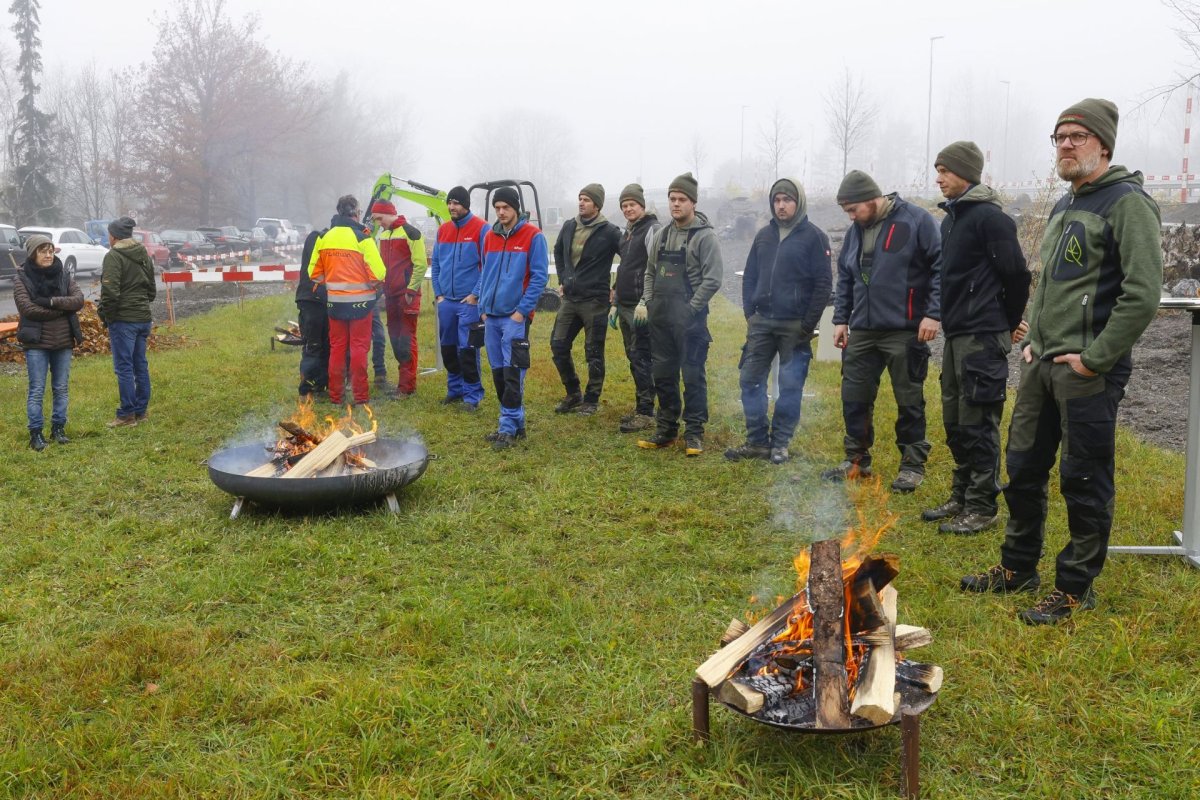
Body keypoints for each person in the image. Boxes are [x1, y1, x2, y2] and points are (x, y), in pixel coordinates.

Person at [961, 99, 1163, 624]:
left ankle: (1075, 586)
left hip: (1085, 372)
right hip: (1042, 364)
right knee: (1023, 467)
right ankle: (1017, 567)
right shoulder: (1062, 205)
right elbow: (1051, 284)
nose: (1066, 145)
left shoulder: (1128, 204)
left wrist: (1095, 359)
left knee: (1083, 476)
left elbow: (1142, 294)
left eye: (1078, 136)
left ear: (1104, 145)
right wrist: (1034, 335)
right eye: (1059, 137)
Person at [924, 141, 1031, 534]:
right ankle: (962, 495)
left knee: (979, 422)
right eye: (937, 171)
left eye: (945, 171)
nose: (939, 178)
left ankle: (982, 506)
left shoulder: (991, 219)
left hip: (983, 337)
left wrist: (1008, 323)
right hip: (957, 336)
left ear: (966, 173)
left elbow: (1017, 276)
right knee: (955, 421)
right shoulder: (950, 220)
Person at [820, 170, 941, 492]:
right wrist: (841, 319)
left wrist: (933, 313)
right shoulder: (855, 232)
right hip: (863, 329)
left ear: (872, 199)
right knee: (854, 396)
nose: (850, 216)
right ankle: (856, 460)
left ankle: (912, 465)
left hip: (905, 329)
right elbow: (845, 277)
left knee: (909, 400)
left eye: (853, 209)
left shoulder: (917, 220)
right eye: (846, 211)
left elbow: (940, 268)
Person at [725, 178, 831, 465]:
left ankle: (781, 443)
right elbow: (750, 275)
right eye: (776, 200)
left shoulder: (815, 237)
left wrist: (807, 325)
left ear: (799, 202)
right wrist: (750, 314)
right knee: (750, 380)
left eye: (787, 200)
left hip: (795, 325)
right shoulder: (763, 236)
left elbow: (823, 284)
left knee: (790, 385)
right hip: (761, 322)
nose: (781, 206)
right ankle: (757, 441)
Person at [635, 172, 723, 457]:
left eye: (681, 199)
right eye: (672, 199)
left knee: (693, 376)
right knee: (663, 375)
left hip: (690, 321)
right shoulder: (661, 235)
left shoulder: (705, 237)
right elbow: (650, 272)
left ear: (693, 202)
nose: (675, 204)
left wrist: (691, 309)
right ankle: (666, 428)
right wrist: (649, 301)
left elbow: (713, 279)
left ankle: (694, 432)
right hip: (660, 317)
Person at [478, 186, 549, 450]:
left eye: (505, 207)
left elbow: (540, 277)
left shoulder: (534, 236)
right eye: (497, 208)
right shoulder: (490, 236)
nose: (501, 212)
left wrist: (522, 312)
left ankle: (507, 426)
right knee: (498, 372)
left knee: (513, 372)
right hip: (491, 316)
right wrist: (482, 307)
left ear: (516, 208)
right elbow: (485, 272)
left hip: (515, 317)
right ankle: (516, 424)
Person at [550, 183, 622, 415]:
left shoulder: (610, 231)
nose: (581, 203)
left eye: (587, 200)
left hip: (595, 301)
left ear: (597, 205)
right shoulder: (569, 226)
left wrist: (616, 287)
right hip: (570, 299)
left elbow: (630, 259)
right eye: (580, 198)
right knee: (558, 345)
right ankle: (573, 394)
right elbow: (558, 250)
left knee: (593, 352)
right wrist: (563, 277)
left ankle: (591, 400)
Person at [307, 195, 386, 406]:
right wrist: (371, 287)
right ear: (356, 213)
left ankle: (336, 397)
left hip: (334, 304)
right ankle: (360, 397)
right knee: (359, 348)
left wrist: (332, 285)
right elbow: (379, 273)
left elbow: (313, 273)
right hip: (362, 305)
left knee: (337, 348)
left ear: (339, 211)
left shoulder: (324, 238)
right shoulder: (363, 238)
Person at [12, 234, 84, 449]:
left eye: (51, 251)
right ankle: (36, 433)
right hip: (36, 342)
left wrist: (51, 301)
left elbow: (78, 300)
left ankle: (58, 428)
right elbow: (28, 309)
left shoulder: (64, 274)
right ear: (33, 254)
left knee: (61, 388)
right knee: (37, 390)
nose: (48, 255)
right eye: (43, 251)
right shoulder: (22, 278)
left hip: (63, 341)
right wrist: (62, 310)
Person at [430, 186, 488, 410]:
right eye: (450, 202)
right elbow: (436, 264)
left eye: (456, 203)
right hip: (446, 302)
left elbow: (487, 265)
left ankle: (472, 396)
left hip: (468, 303)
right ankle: (454, 390)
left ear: (466, 205)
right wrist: (438, 294)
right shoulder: (443, 230)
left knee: (468, 350)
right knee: (448, 348)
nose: (451, 207)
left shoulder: (481, 228)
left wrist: (475, 294)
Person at [97, 216, 156, 427]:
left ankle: (126, 415)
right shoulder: (143, 254)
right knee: (140, 365)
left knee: (124, 368)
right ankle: (141, 411)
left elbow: (110, 292)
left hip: (123, 320)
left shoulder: (113, 256)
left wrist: (108, 316)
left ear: (113, 236)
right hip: (143, 318)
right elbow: (151, 289)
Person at [612, 183, 660, 433]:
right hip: (625, 303)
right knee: (633, 356)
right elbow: (625, 267)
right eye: (624, 205)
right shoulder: (628, 232)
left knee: (642, 357)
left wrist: (646, 300)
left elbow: (655, 268)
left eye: (632, 204)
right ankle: (643, 405)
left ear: (642, 205)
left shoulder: (652, 230)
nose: (628, 209)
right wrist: (615, 299)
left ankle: (646, 412)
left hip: (641, 306)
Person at [370, 199, 428, 397]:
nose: (378, 223)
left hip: (407, 296)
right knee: (395, 339)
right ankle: (402, 384)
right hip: (390, 296)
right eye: (375, 220)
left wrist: (410, 291)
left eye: (379, 218)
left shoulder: (411, 233)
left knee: (406, 339)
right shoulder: (384, 235)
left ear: (389, 213)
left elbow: (421, 264)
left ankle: (407, 387)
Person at [295, 228, 329, 398]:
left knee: (322, 344)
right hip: (312, 300)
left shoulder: (315, 238)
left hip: (313, 299)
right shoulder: (318, 239)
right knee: (314, 345)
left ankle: (320, 385)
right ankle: (307, 387)